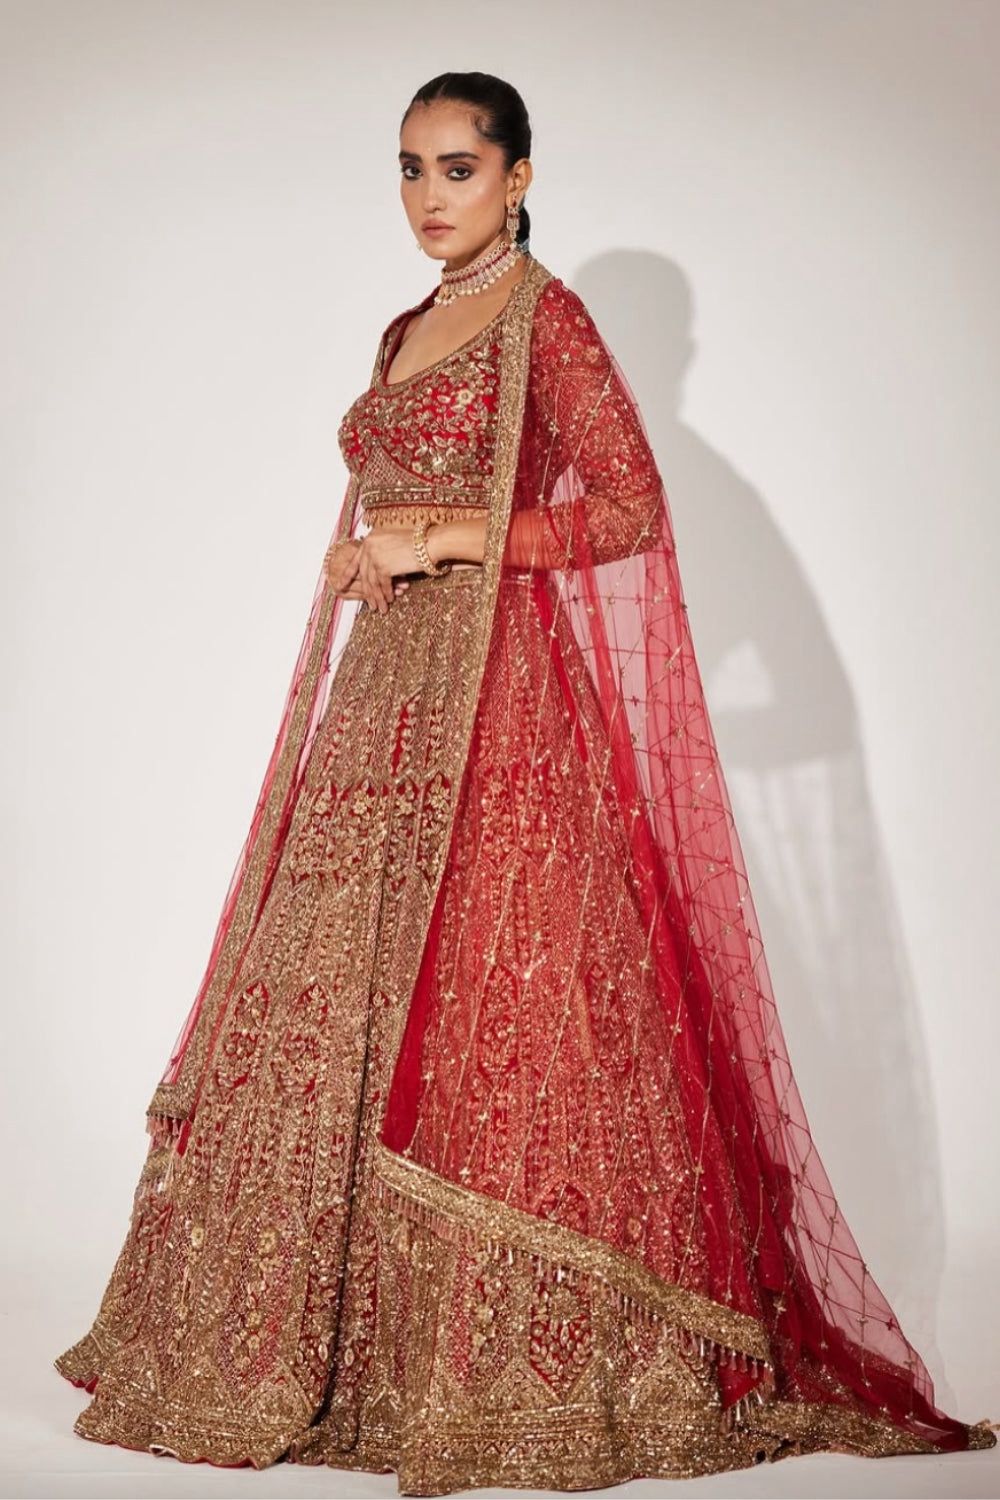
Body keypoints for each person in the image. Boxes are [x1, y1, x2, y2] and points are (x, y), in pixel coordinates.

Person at [55, 70, 996, 1494]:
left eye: (459, 169)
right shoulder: (405, 328)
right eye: (410, 169)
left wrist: (442, 542)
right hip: (383, 703)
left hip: (499, 705)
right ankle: (315, 1343)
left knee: (505, 1008)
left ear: (518, 177)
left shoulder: (549, 320)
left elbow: (628, 509)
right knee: (332, 991)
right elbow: (402, 501)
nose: (430, 197)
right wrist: (372, 554)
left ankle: (519, 1362)